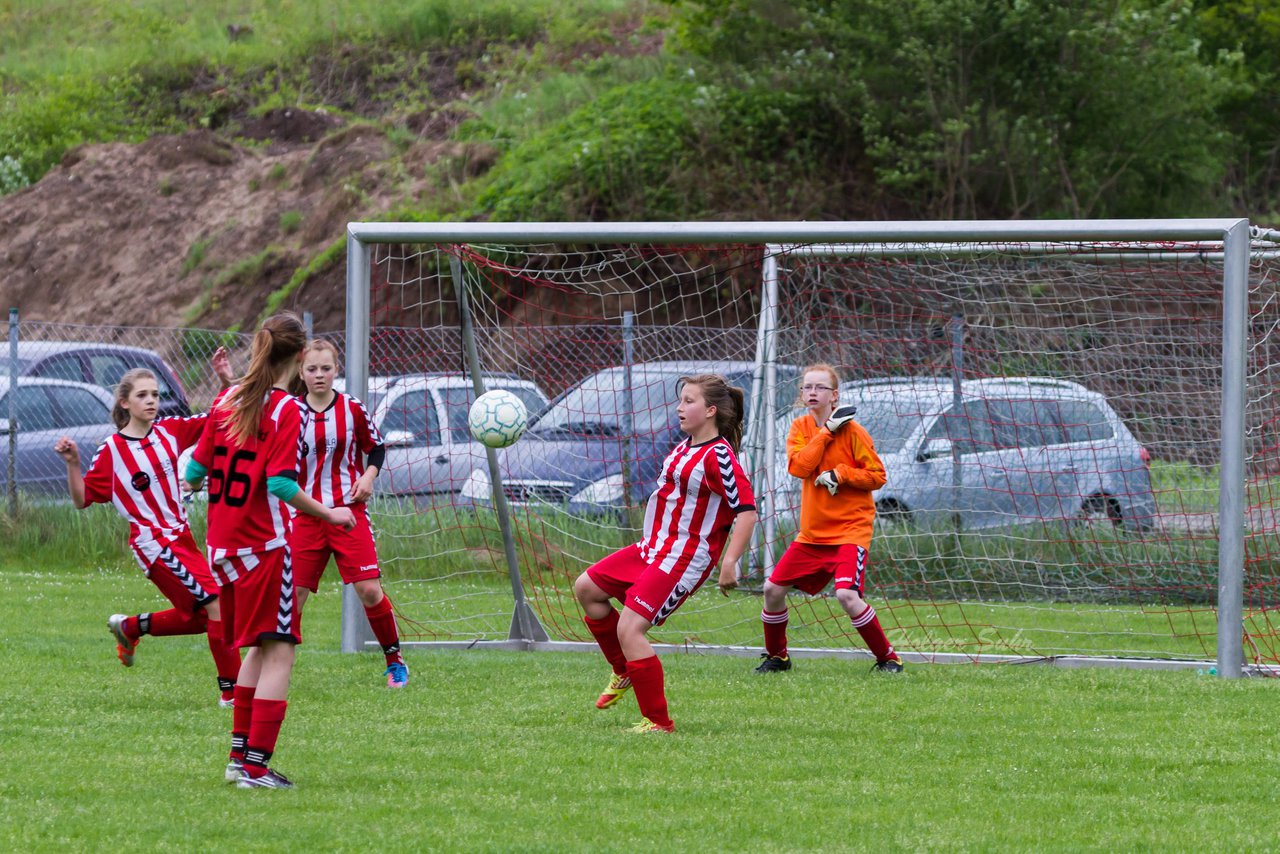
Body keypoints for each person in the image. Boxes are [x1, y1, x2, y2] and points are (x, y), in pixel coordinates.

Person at [185, 312, 355, 790]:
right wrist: (328, 512)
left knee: (256, 650)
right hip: (264, 547)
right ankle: (257, 769)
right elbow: (280, 482)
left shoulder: (229, 399)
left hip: (223, 547)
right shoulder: (288, 410)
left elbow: (195, 474)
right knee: (279, 653)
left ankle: (239, 760)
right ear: (301, 357)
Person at [53, 349, 241, 706]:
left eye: (155, 394)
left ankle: (131, 627)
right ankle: (231, 692)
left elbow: (218, 417)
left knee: (203, 617)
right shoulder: (112, 451)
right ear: (124, 402)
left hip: (182, 538)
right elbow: (81, 500)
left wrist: (224, 381)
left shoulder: (170, 431)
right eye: (142, 395)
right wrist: (73, 463)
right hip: (154, 545)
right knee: (217, 605)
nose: (151, 400)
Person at [573, 374, 758, 733]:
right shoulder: (684, 447)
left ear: (710, 410)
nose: (679, 407)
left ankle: (659, 723)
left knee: (630, 629)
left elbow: (747, 511)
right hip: (652, 549)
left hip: (683, 558)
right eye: (681, 400)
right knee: (587, 589)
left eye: (689, 401)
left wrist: (730, 561)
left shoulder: (720, 457)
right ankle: (624, 668)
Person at [755, 363, 903, 674]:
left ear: (834, 396)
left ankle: (888, 658)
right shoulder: (799, 428)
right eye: (807, 387)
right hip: (812, 535)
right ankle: (777, 657)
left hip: (851, 530)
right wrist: (826, 432)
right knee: (772, 590)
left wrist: (842, 474)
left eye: (819, 387)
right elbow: (799, 468)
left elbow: (878, 477)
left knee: (847, 596)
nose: (812, 392)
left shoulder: (855, 432)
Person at [289, 339, 407, 688]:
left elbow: (377, 449)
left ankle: (395, 661)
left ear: (336, 370)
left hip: (349, 514)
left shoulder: (352, 409)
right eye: (312, 369)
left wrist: (369, 477)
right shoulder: (291, 413)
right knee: (292, 598)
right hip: (307, 517)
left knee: (369, 591)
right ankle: (279, 665)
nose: (319, 375)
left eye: (326, 368)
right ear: (301, 372)